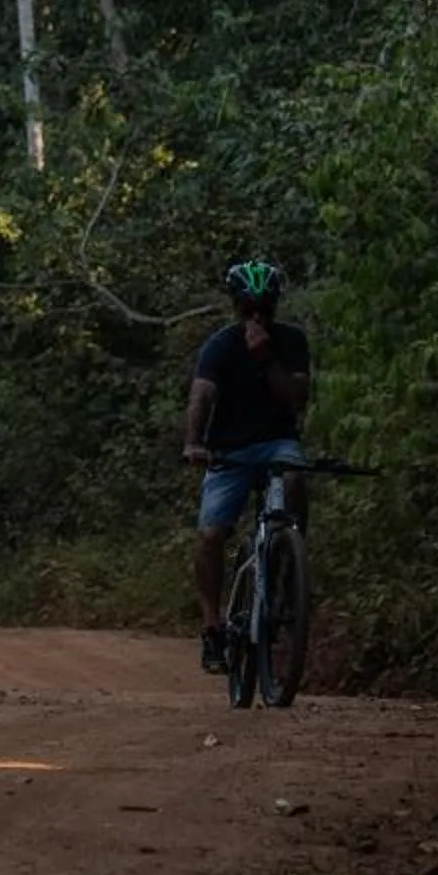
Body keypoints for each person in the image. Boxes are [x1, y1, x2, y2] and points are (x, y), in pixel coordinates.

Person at [181, 259, 313, 675]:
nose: (257, 317)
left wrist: (266, 358)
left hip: (277, 443)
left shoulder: (291, 341)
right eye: (248, 308)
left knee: (293, 479)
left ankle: (286, 563)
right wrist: (194, 442)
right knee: (210, 535)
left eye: (265, 309)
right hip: (229, 451)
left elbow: (296, 398)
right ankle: (212, 626)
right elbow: (201, 395)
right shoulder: (220, 345)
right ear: (236, 307)